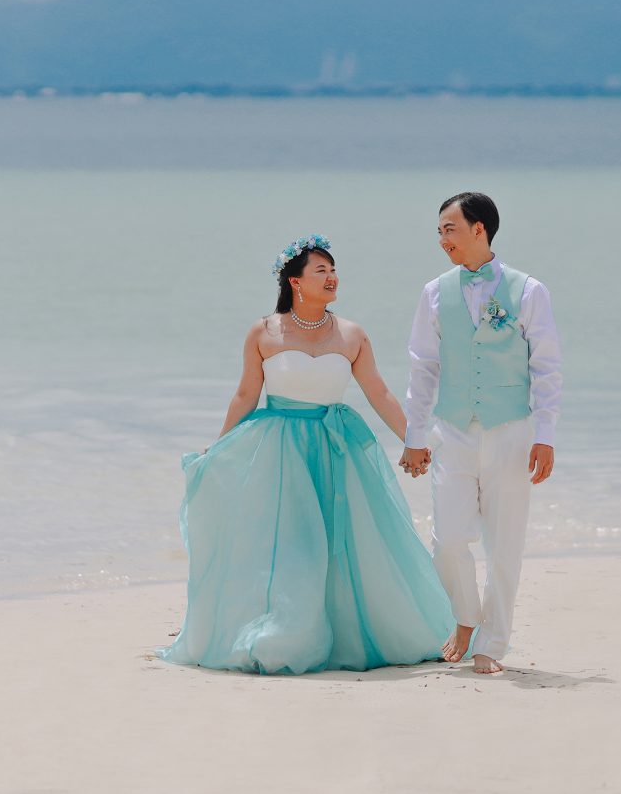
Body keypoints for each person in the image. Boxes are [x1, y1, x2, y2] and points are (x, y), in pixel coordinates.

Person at [159, 235, 454, 674]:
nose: (332, 277)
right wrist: (218, 446)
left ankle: (344, 635)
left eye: (334, 270)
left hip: (336, 451)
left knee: (344, 544)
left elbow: (380, 393)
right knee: (293, 545)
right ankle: (286, 634)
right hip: (278, 453)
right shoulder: (264, 331)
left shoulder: (352, 334)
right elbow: (245, 394)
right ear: (295, 281)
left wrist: (414, 440)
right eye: (321, 270)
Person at [399, 193, 562, 674]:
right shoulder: (433, 292)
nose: (442, 238)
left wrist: (545, 433)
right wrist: (414, 433)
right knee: (448, 539)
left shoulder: (529, 291)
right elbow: (422, 367)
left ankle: (493, 642)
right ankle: (466, 617)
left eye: (450, 228)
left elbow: (547, 368)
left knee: (505, 542)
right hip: (453, 431)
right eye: (439, 231)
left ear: (479, 230)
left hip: (512, 430)